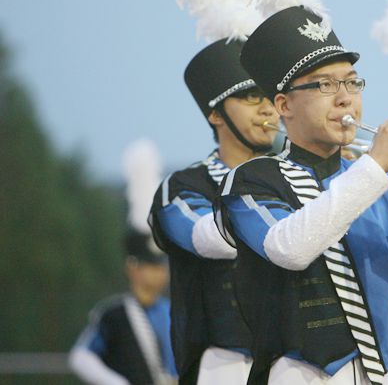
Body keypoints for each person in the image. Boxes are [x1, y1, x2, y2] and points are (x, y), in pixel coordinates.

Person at [215, 5, 388, 385]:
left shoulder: (384, 186)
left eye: (352, 83)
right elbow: (290, 249)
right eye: (324, 85)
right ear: (284, 105)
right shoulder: (252, 181)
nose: (345, 98)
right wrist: (377, 163)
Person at [149, 39, 278, 384]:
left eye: (270, 96)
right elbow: (208, 238)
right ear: (215, 114)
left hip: (295, 364)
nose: (268, 109)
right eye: (251, 97)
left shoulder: (294, 177)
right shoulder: (182, 186)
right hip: (224, 365)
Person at [69, 231, 177, 385]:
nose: (161, 272)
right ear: (133, 268)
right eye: (152, 266)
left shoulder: (173, 311)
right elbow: (80, 357)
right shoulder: (114, 314)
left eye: (163, 266)